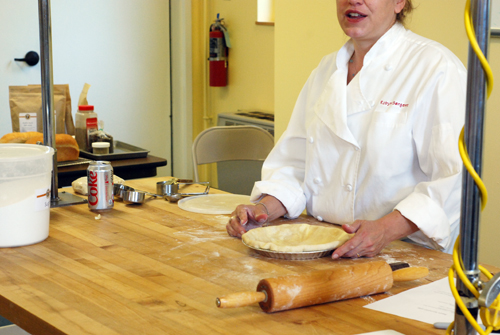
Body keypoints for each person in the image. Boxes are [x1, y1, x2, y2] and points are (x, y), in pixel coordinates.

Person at [227, 0, 466, 257]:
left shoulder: (436, 69)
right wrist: (263, 210)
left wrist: (383, 230)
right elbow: (297, 164)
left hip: (405, 254)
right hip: (326, 246)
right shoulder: (326, 70)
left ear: (399, 2)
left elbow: (453, 180)